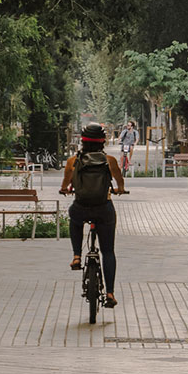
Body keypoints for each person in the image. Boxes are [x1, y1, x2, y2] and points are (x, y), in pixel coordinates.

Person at [60, 123, 125, 307]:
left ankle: (76, 256)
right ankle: (110, 293)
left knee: (74, 218)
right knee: (108, 251)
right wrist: (120, 189)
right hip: (103, 208)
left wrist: (64, 189)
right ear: (102, 142)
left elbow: (65, 184)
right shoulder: (109, 160)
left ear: (83, 141)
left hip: (81, 207)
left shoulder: (73, 161)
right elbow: (120, 181)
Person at [116, 118, 139, 183]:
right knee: (121, 156)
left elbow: (137, 139)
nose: (127, 126)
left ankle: (129, 160)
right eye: (127, 125)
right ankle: (121, 167)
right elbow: (120, 136)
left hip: (130, 144)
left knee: (131, 148)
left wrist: (135, 143)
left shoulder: (135, 132)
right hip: (124, 144)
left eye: (129, 125)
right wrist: (118, 140)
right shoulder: (124, 131)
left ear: (132, 126)